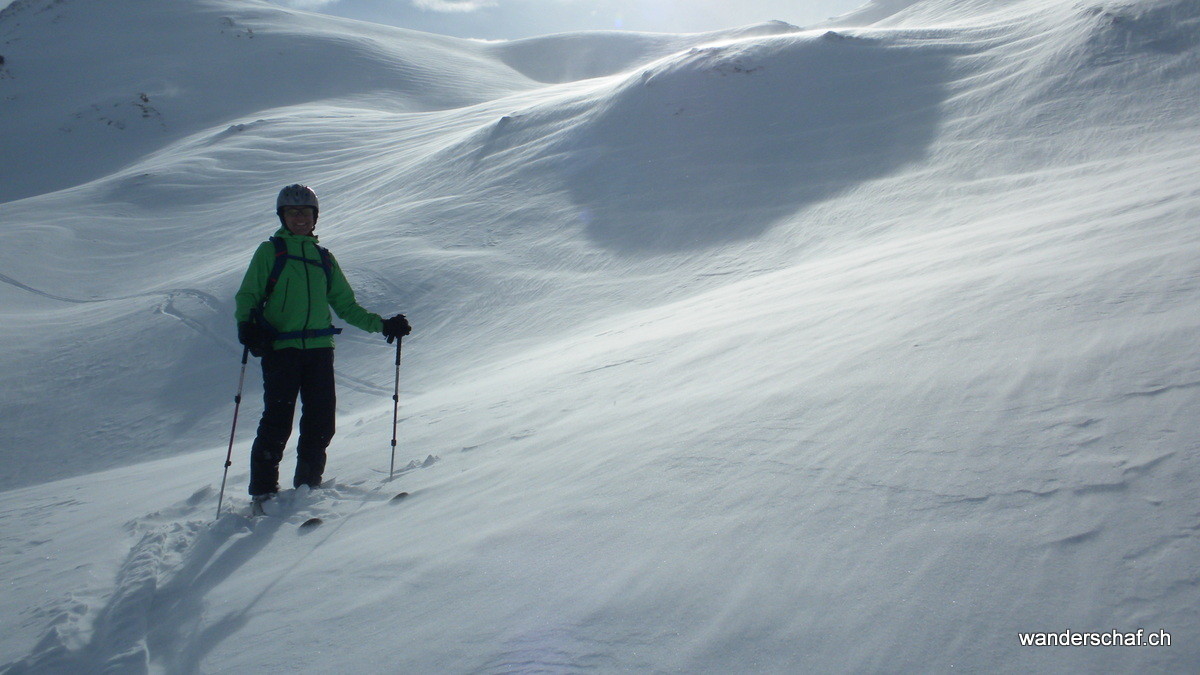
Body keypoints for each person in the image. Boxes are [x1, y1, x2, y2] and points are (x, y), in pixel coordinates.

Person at [235, 184, 410, 507]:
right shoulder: (270, 252)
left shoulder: (323, 259)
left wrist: (383, 324)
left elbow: (346, 306)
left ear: (315, 218)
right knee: (277, 421)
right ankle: (263, 492)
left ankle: (307, 485)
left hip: (319, 349)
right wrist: (245, 325)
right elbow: (248, 295)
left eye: (306, 213)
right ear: (282, 216)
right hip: (281, 350)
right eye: (293, 212)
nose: (300, 219)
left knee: (320, 420)